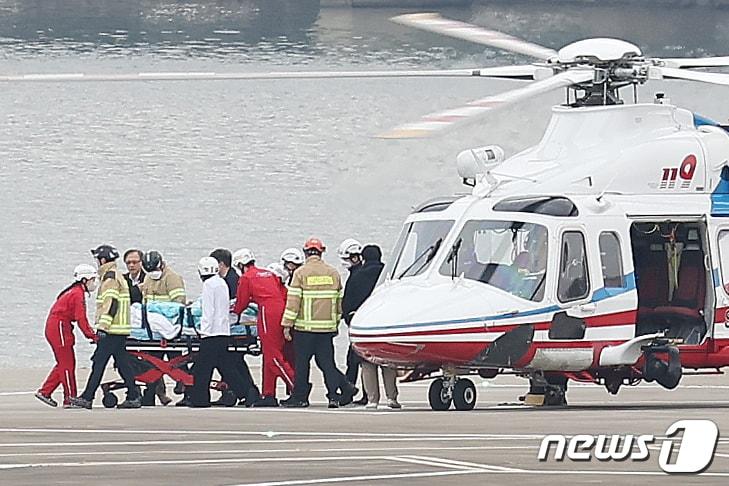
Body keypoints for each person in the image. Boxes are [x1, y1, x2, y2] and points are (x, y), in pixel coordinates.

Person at [280, 237, 357, 408]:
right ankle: (334, 396)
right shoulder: (333, 273)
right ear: (321, 252)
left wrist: (287, 325)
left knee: (302, 365)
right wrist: (335, 324)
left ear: (306, 252)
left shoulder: (301, 273)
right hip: (326, 329)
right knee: (328, 364)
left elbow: (293, 303)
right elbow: (339, 304)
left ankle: (300, 397)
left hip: (304, 329)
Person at [70, 244, 141, 409]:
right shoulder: (117, 275)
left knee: (99, 362)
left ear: (102, 260)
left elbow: (111, 304)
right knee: (123, 363)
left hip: (112, 330)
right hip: (120, 329)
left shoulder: (109, 278)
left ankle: (87, 397)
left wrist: (102, 327)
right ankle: (133, 395)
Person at [232, 248, 294, 407]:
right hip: (280, 310)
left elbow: (241, 303)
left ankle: (296, 386)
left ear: (240, 265)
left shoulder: (247, 278)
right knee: (269, 355)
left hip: (267, 313)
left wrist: (233, 312)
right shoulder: (268, 273)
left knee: (272, 356)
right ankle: (269, 394)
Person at [190, 257, 252, 408]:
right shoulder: (221, 282)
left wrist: (203, 331)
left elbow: (208, 311)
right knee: (226, 367)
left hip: (211, 334)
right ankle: (247, 393)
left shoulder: (208, 285)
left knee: (203, 369)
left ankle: (200, 400)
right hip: (223, 332)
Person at [36, 264, 100, 408]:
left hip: (57, 328)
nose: (94, 282)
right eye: (93, 279)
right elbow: (81, 319)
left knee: (64, 363)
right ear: (85, 279)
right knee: (67, 364)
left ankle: (46, 391)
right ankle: (70, 398)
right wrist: (93, 336)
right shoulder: (77, 294)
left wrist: (90, 334)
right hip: (59, 329)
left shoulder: (73, 292)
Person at [346, 245, 401, 409]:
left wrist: (351, 321)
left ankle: (372, 399)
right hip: (387, 324)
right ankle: (392, 398)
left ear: (363, 257)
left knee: (367, 364)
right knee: (388, 363)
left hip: (365, 324)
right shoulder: (390, 275)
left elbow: (347, 303)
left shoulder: (356, 276)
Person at [140, 250, 186, 405]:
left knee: (177, 363)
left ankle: (186, 389)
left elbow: (179, 303)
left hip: (170, 328)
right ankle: (150, 395)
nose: (152, 273)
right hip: (153, 331)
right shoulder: (148, 277)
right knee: (153, 364)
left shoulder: (172, 278)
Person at [339, 238, 368, 405]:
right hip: (357, 322)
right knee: (355, 361)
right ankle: (358, 392)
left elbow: (351, 299)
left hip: (357, 323)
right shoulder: (358, 274)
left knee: (354, 360)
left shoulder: (358, 276)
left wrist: (348, 315)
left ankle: (350, 392)